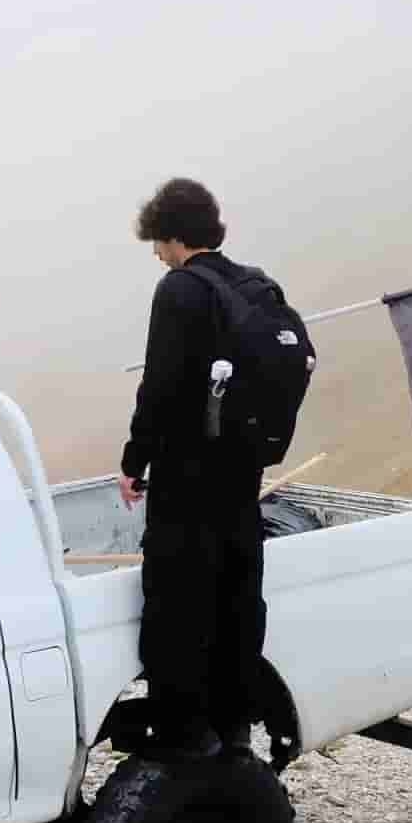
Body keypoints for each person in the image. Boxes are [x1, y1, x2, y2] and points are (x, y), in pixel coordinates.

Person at [116, 176, 271, 758]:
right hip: (242, 474)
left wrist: (134, 460)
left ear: (176, 236)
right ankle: (234, 726)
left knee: (178, 600)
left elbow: (158, 387)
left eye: (158, 241)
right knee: (238, 595)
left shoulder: (180, 290)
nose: (157, 254)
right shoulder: (254, 286)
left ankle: (184, 734)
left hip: (188, 476)